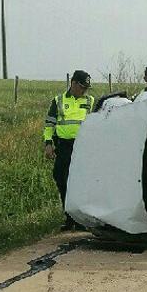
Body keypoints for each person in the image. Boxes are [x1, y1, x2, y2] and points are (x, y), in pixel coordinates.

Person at [43, 70, 94, 231]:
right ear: (73, 83)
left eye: (86, 87)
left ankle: (81, 218)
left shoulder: (90, 101)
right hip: (64, 146)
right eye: (81, 87)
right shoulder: (58, 100)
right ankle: (70, 216)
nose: (84, 90)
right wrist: (48, 143)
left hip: (83, 147)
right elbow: (49, 124)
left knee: (80, 182)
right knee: (60, 177)